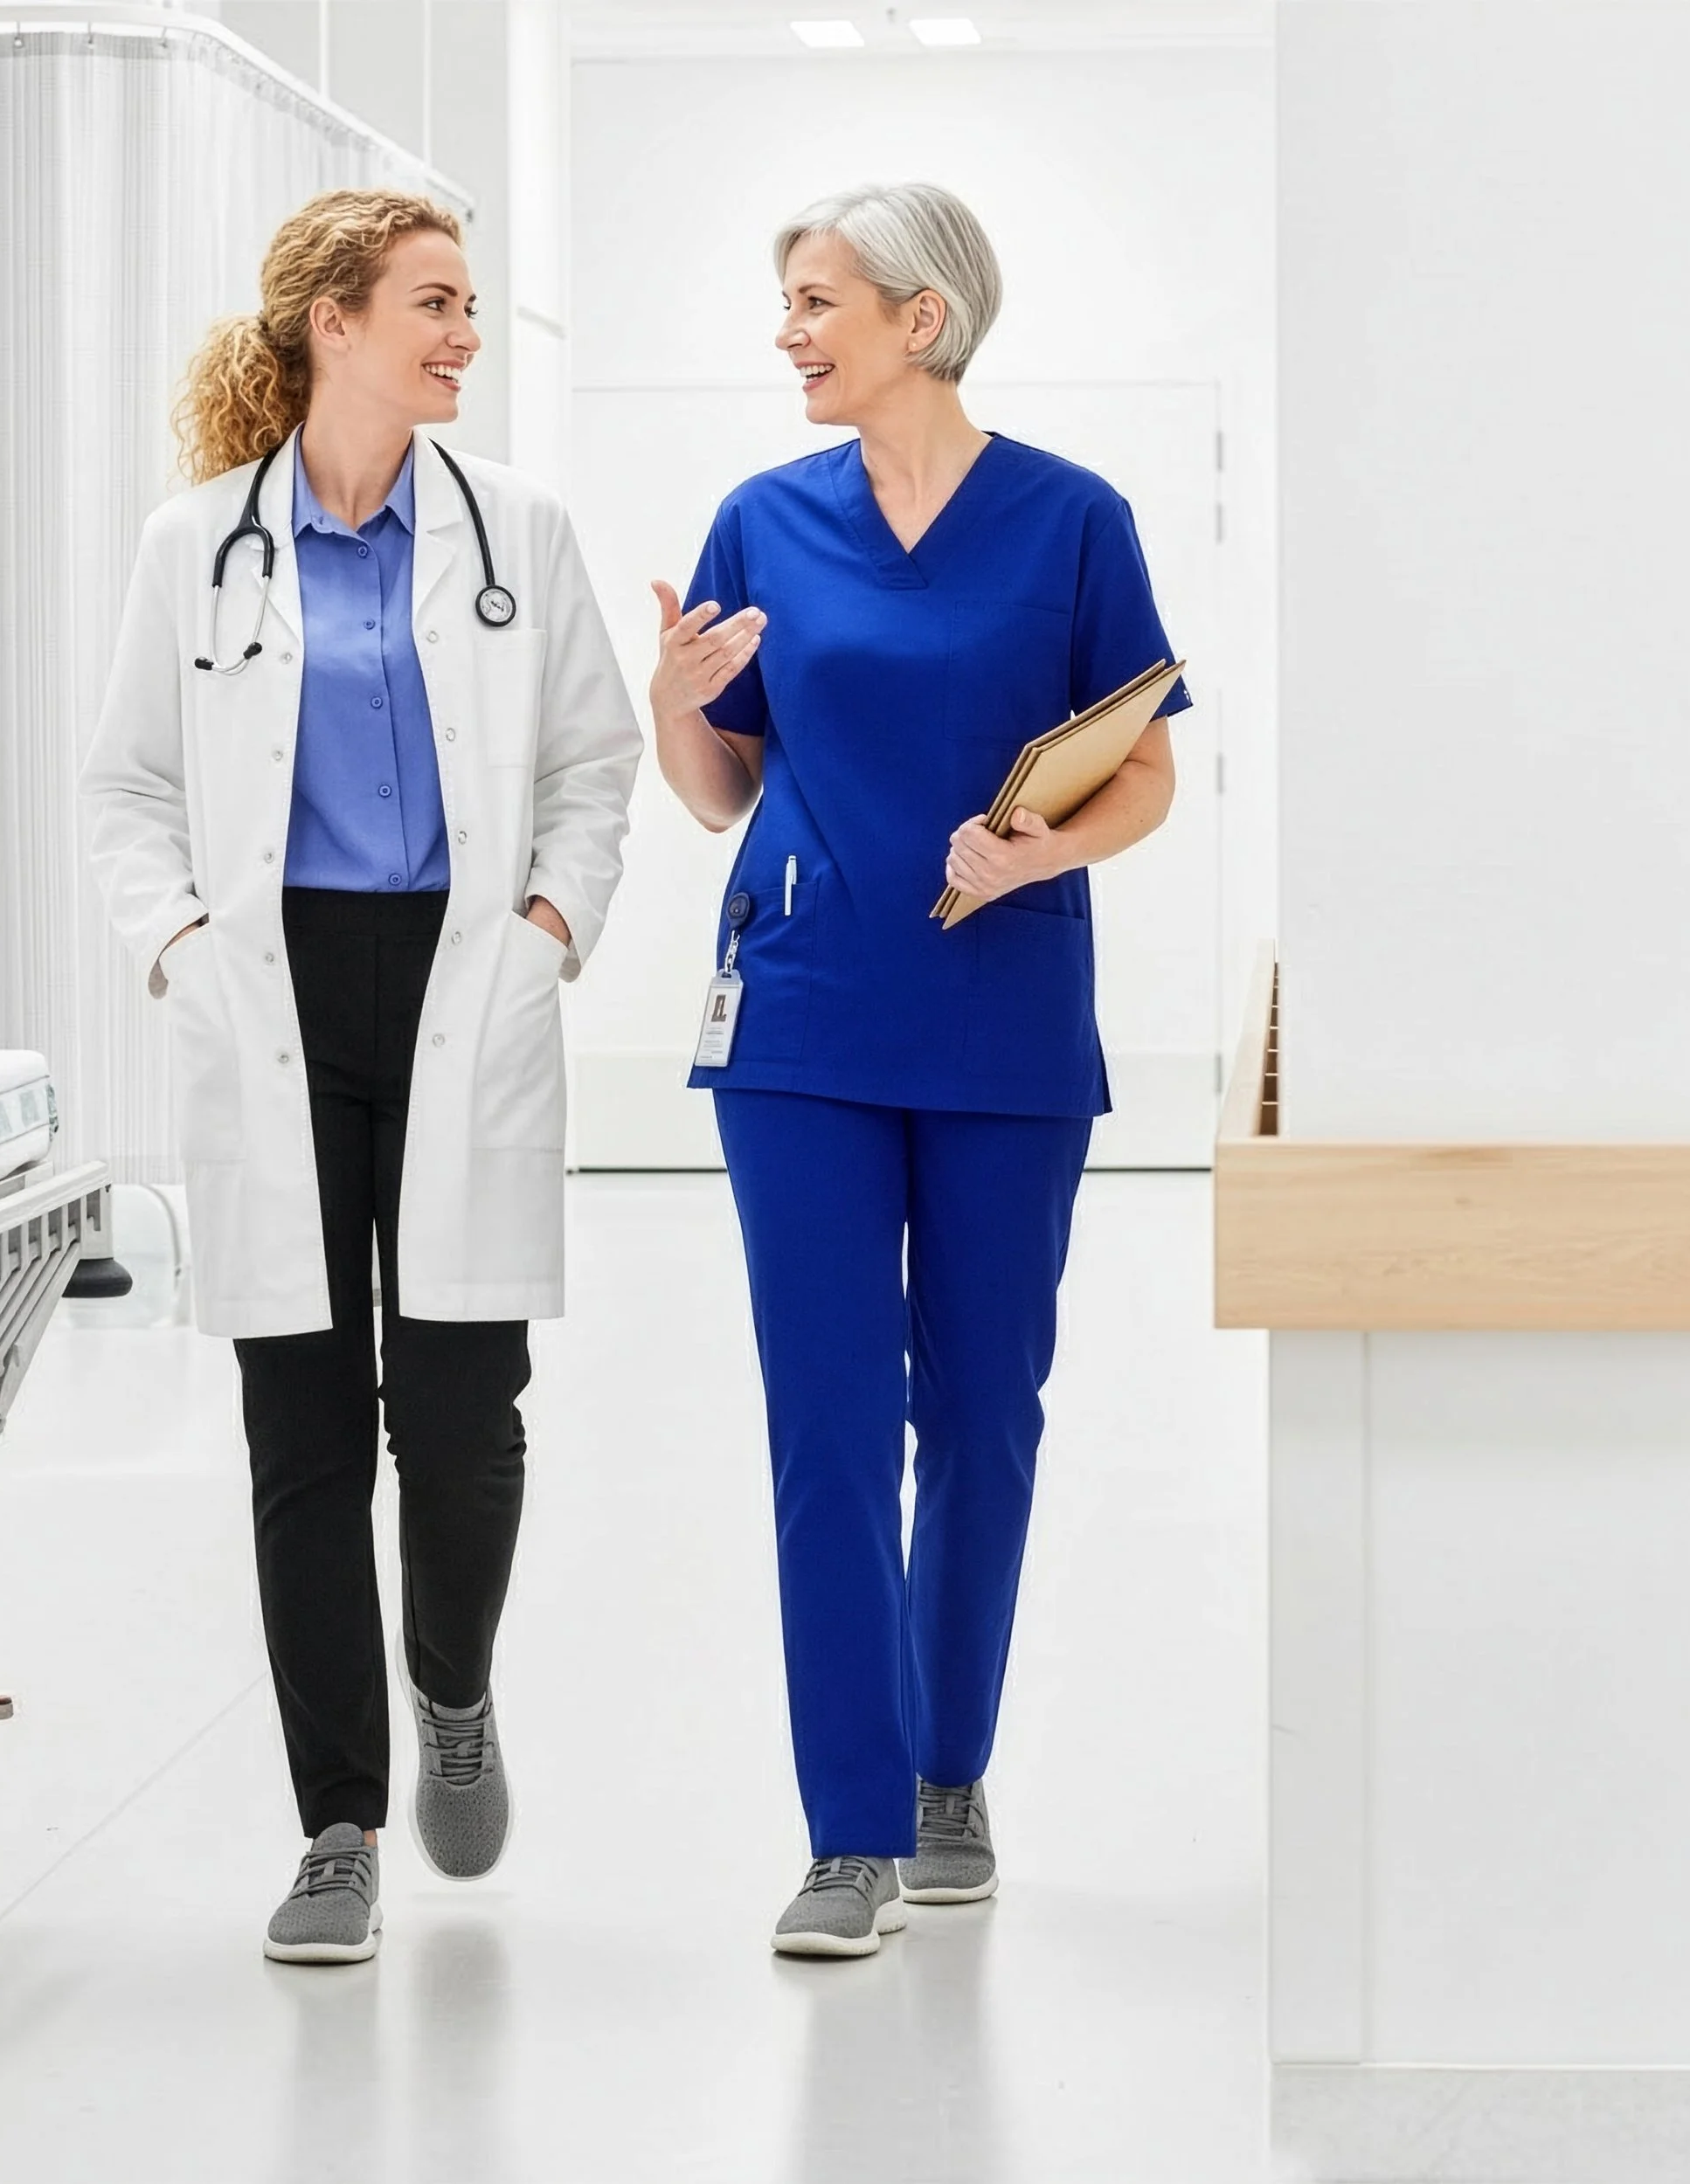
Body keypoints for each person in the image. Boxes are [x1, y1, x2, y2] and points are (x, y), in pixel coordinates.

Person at [81, 190, 639, 1964]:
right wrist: (179, 943)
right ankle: (339, 1825)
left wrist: (549, 924)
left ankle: (451, 1686)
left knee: (462, 1418)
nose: (466, 334)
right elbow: (128, 789)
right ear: (334, 322)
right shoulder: (199, 544)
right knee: (303, 1427)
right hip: (274, 990)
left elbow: (593, 763)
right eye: (435, 302)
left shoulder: (515, 531)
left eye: (467, 305)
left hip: (466, 975)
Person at [650, 182, 1189, 1957]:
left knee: (979, 1411)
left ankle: (951, 1767)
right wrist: (673, 696)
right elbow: (719, 789)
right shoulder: (762, 522)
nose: (789, 333)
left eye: (816, 301)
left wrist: (1043, 853)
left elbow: (1143, 771)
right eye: (789, 302)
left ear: (921, 318)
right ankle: (849, 1830)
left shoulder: (1072, 521)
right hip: (803, 1015)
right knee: (826, 1422)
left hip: (999, 1016)